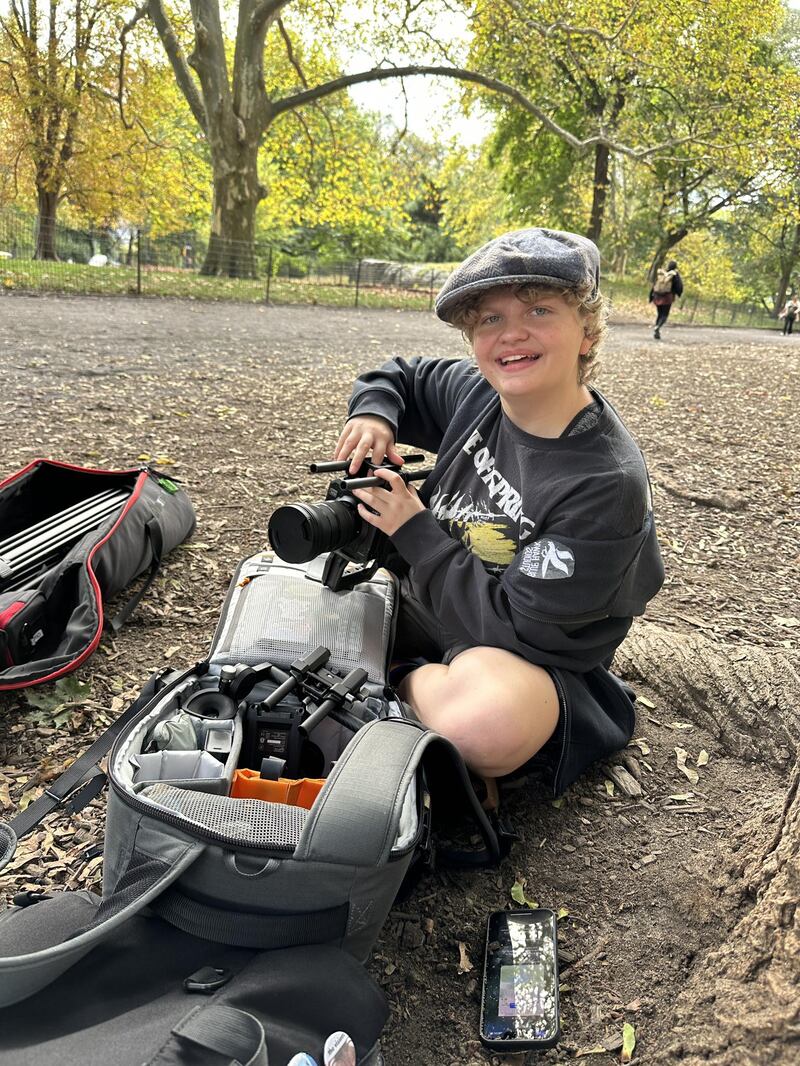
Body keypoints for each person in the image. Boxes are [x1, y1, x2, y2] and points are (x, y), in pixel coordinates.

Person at [332, 228, 664, 798]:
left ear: (587, 331)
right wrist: (375, 414)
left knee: (484, 727)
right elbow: (403, 376)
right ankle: (395, 694)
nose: (511, 333)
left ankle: (385, 680)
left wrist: (414, 530)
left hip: (520, 658)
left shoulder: (605, 483)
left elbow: (518, 630)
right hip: (428, 604)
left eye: (539, 309)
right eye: (489, 319)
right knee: (273, 583)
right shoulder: (480, 394)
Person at [649, 259, 683, 339]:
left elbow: (655, 285)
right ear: (675, 267)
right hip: (667, 297)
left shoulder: (662, 274)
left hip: (657, 296)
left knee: (659, 314)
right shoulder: (675, 275)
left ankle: (656, 329)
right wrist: (678, 293)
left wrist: (651, 296)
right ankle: (658, 327)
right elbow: (679, 286)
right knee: (665, 315)